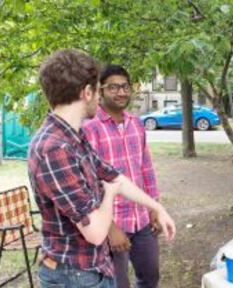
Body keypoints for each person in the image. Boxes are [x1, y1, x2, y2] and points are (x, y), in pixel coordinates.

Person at [28, 49, 176, 288]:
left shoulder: (72, 136)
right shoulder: (54, 148)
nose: (100, 97)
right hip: (74, 276)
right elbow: (96, 232)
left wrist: (156, 206)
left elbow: (114, 175)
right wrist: (109, 195)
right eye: (99, 90)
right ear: (87, 93)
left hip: (91, 270)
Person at [82, 65, 160, 288]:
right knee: (118, 284)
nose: (121, 92)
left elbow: (146, 168)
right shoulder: (90, 127)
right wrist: (111, 228)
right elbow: (90, 184)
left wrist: (153, 207)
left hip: (142, 219)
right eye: (113, 87)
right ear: (101, 91)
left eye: (124, 86)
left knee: (150, 277)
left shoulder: (136, 123)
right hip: (113, 221)